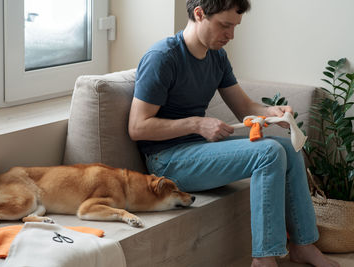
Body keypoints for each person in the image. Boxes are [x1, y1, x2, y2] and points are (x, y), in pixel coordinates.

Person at [128, 0, 339, 266]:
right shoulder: (163, 57)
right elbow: (137, 127)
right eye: (225, 25)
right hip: (167, 160)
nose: (231, 35)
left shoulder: (217, 57)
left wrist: (270, 112)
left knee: (286, 146)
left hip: (198, 151)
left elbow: (244, 108)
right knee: (269, 152)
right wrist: (196, 124)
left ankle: (303, 244)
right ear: (199, 13)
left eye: (235, 26)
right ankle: (263, 258)